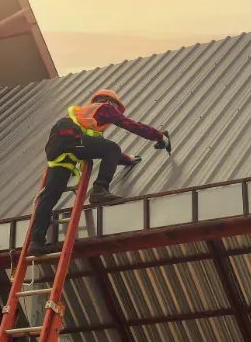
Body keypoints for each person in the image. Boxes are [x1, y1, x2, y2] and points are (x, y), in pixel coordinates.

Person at [29, 89, 167, 256]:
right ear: (111, 102)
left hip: (58, 147)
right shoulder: (106, 108)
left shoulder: (85, 118)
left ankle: (36, 242)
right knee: (112, 147)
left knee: (50, 195)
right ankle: (99, 190)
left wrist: (129, 159)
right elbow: (130, 126)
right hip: (72, 140)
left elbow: (100, 147)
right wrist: (158, 136)